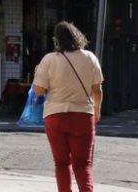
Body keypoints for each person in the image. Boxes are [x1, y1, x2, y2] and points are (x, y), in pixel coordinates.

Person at [32, 22, 104, 192]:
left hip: (55, 116)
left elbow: (39, 91)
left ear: (57, 40)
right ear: (77, 36)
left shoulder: (49, 60)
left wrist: (37, 74)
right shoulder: (90, 57)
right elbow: (97, 90)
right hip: (83, 116)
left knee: (61, 163)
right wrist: (97, 111)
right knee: (83, 165)